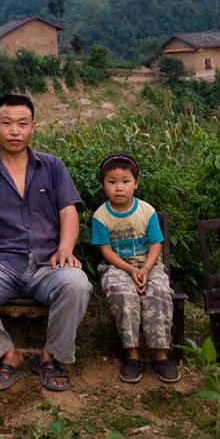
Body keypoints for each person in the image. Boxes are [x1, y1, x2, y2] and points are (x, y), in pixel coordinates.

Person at [0, 94, 92, 392]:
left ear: (33, 127)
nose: (15, 131)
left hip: (47, 263)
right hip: (0, 264)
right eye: (7, 123)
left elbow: (68, 213)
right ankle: (7, 355)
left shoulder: (53, 167)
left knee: (77, 283)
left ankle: (51, 356)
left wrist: (66, 249)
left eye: (22, 124)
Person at [91, 154, 180, 383]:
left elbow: (155, 244)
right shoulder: (101, 216)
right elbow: (106, 251)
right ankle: (132, 355)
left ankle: (161, 355)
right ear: (104, 185)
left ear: (136, 184)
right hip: (117, 266)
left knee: (159, 292)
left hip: (148, 264)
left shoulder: (146, 211)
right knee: (123, 293)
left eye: (125, 181)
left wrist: (146, 270)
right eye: (112, 182)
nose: (118, 187)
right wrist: (131, 271)